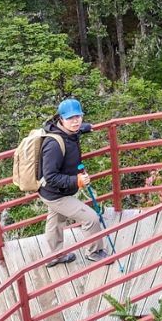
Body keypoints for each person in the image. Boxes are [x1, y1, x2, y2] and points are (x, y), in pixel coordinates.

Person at [39, 98, 112, 267]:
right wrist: (76, 180)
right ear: (61, 119)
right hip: (55, 194)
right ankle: (95, 252)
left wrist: (85, 128)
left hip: (54, 191)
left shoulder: (69, 132)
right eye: (70, 118)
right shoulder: (54, 145)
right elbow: (50, 176)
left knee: (55, 221)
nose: (75, 121)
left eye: (78, 117)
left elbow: (76, 131)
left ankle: (54, 256)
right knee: (91, 218)